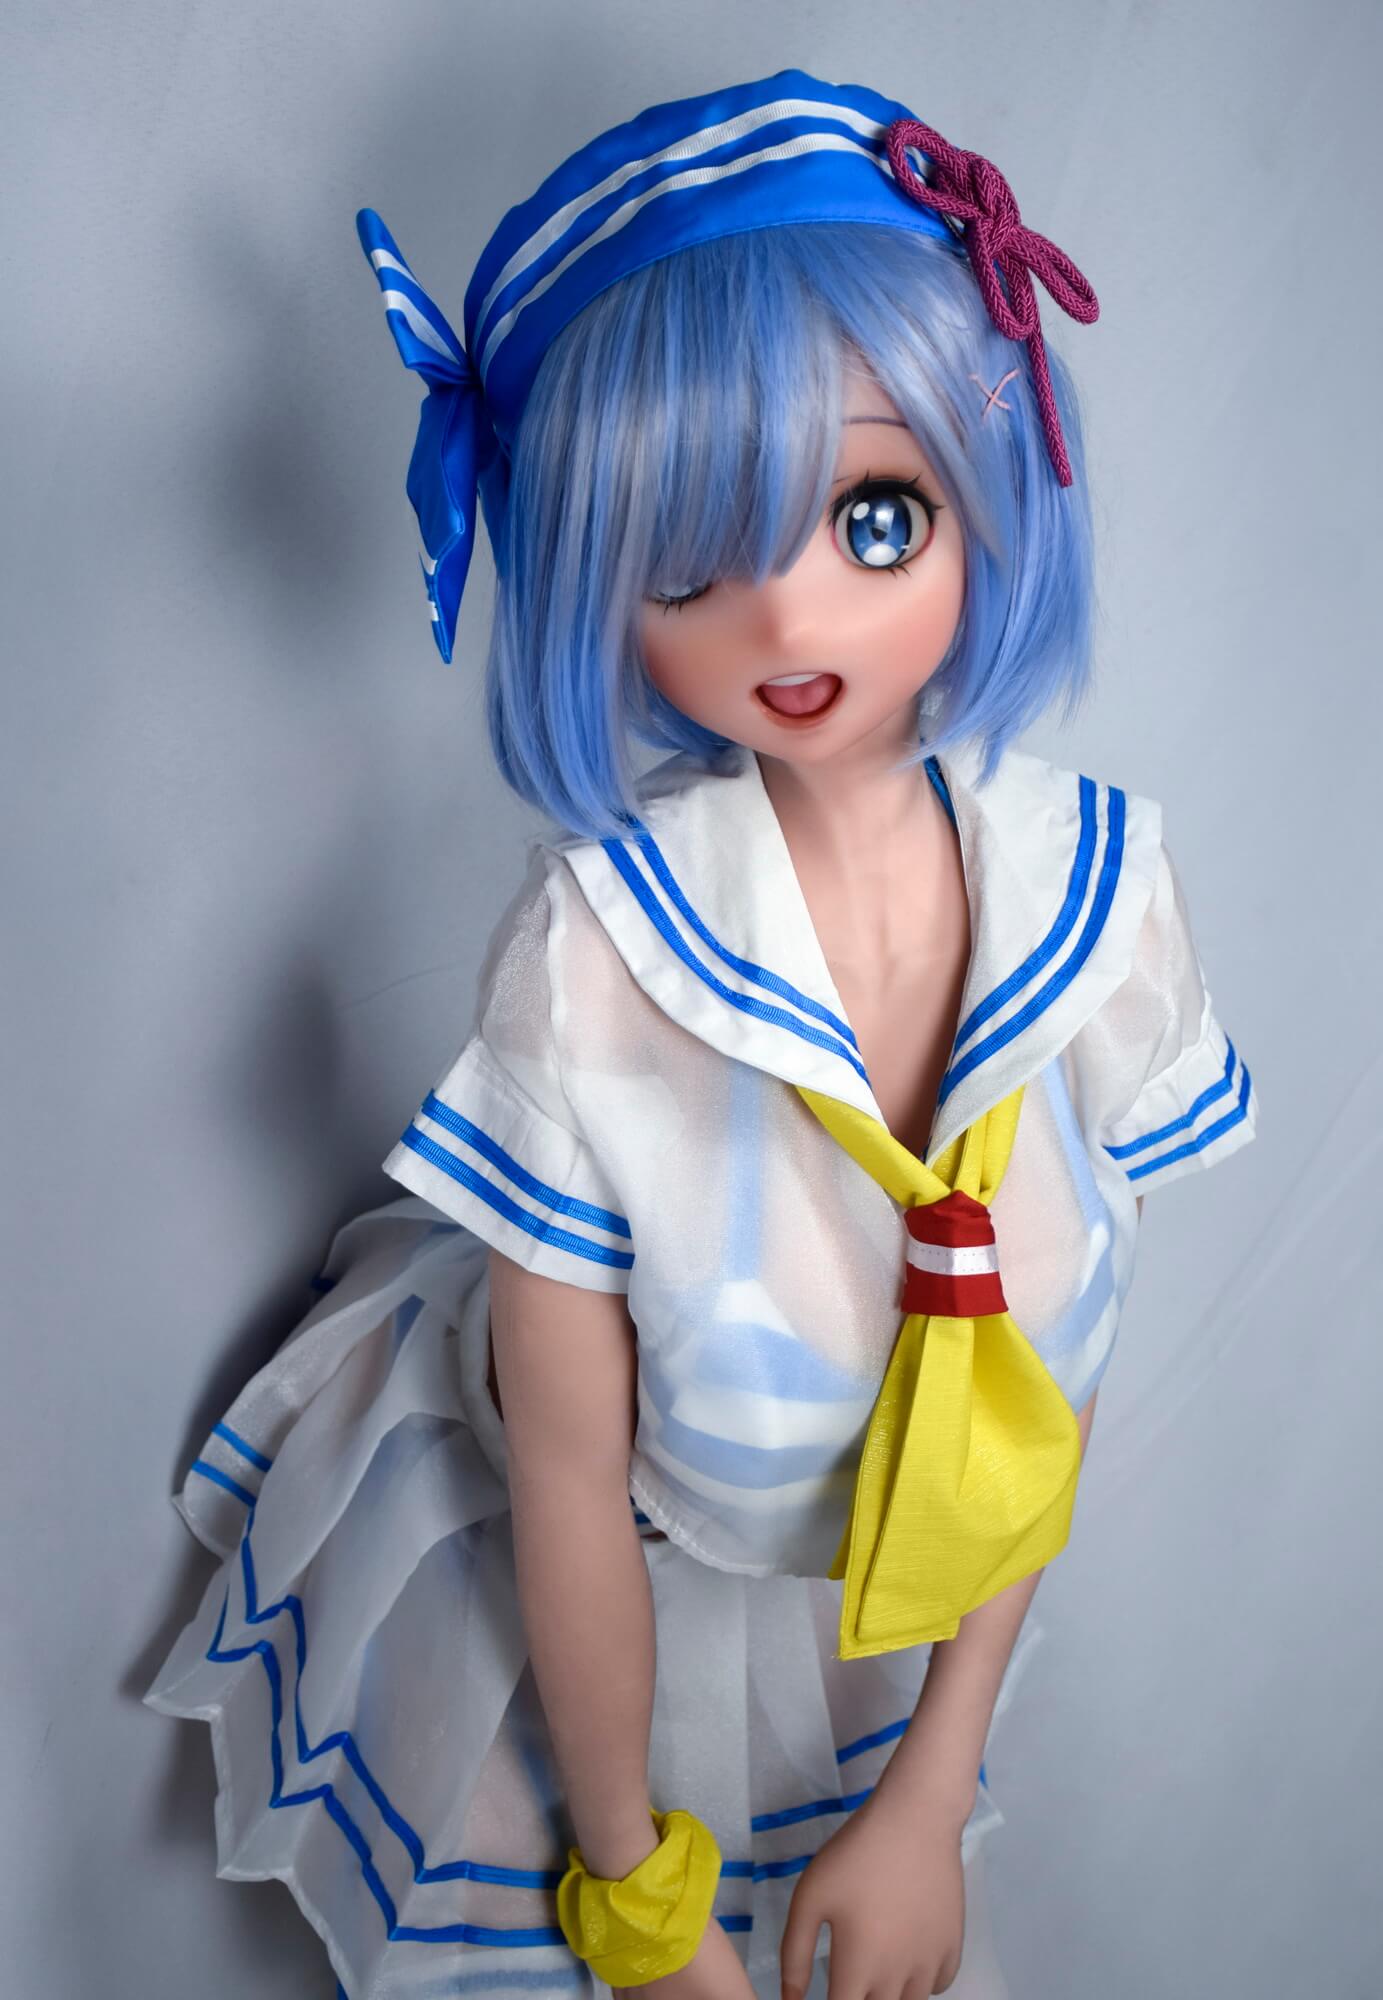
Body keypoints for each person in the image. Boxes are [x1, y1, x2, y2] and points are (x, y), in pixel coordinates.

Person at [144, 69, 1259, 2000]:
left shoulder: (1103, 905)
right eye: (687, 559)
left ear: (988, 480)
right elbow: (573, 1486)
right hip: (622, 1629)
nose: (789, 614)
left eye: (875, 515)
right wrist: (639, 1904)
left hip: (877, 1635)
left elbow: (1040, 1398)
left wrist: (932, 1789)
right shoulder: (595, 967)